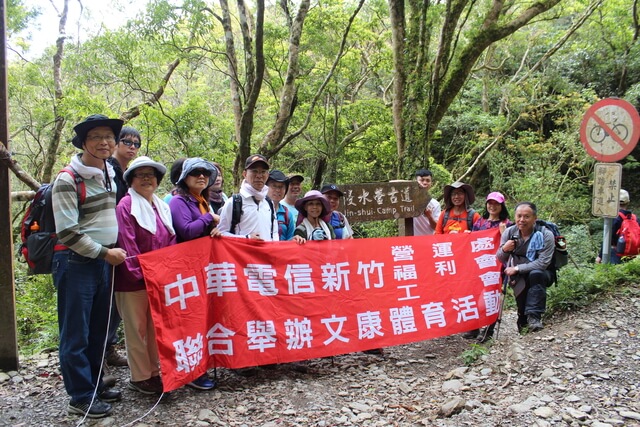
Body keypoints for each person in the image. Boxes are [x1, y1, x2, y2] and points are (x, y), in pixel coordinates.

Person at [51, 114, 127, 418]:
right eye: (96, 137)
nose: (104, 142)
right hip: (76, 262)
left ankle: (95, 384)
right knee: (75, 333)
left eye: (109, 136)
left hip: (103, 262)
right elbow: (67, 232)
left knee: (98, 329)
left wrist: (108, 255)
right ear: (83, 142)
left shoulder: (109, 172)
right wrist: (104, 253)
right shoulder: (68, 179)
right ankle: (80, 396)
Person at [115, 156, 175, 395]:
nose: (147, 179)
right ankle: (139, 377)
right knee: (136, 329)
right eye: (140, 175)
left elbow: (169, 241)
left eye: (151, 175)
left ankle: (153, 372)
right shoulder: (126, 206)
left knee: (153, 328)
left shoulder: (160, 206)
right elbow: (127, 245)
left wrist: (165, 272)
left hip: (156, 279)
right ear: (131, 180)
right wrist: (143, 275)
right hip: (133, 281)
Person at [168, 157, 220, 390]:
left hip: (202, 267)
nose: (201, 176)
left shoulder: (201, 201)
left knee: (203, 319)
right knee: (190, 322)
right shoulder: (179, 202)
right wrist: (210, 218)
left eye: (205, 173)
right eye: (195, 172)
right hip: (186, 269)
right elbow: (186, 231)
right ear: (184, 177)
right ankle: (191, 371)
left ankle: (201, 366)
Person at [104, 126, 142, 369]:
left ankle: (109, 347)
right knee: (107, 301)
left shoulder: (127, 173)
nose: (131, 146)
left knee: (117, 298)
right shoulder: (107, 170)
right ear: (116, 143)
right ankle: (102, 352)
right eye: (126, 141)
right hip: (108, 244)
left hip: (124, 243)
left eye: (136, 144)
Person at [496, 202, 555, 333]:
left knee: (536, 274)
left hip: (542, 272)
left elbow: (543, 263)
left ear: (535, 218)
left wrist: (517, 268)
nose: (522, 220)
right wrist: (505, 249)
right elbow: (500, 257)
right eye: (519, 216)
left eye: (526, 216)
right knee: (521, 304)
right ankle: (523, 319)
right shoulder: (510, 232)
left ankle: (534, 317)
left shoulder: (545, 235)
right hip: (517, 274)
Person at [463, 191, 513, 341]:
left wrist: (503, 234)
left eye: (496, 203)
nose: (492, 206)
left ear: (502, 205)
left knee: (490, 297)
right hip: (479, 265)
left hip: (497, 266)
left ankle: (488, 330)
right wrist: (467, 235)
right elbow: (472, 241)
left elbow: (511, 246)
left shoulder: (507, 225)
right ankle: (474, 327)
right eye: (490, 203)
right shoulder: (480, 222)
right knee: (474, 295)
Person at [217, 154, 279, 241]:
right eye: (254, 171)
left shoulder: (268, 202)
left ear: (267, 175)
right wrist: (247, 238)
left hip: (266, 253)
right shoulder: (234, 202)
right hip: (241, 254)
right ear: (245, 174)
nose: (259, 176)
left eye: (263, 172)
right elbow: (221, 233)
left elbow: (274, 233)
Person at [596, 189, 640, 264]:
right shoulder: (635, 218)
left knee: (614, 274)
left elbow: (608, 238)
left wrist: (600, 256)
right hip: (633, 254)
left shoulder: (615, 218)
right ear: (628, 202)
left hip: (616, 253)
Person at [267, 170, 295, 240]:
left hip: (282, 250)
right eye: (274, 186)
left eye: (281, 187)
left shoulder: (287, 214)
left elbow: (290, 240)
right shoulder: (259, 209)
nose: (277, 190)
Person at [413, 169, 441, 236]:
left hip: (429, 240)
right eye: (422, 180)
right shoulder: (409, 201)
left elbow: (437, 227)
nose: (425, 183)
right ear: (416, 182)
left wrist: (429, 216)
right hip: (412, 240)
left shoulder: (435, 204)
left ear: (431, 183)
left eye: (428, 180)